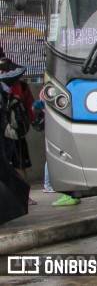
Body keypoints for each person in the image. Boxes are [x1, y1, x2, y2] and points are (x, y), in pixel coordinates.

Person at [0, 56, 37, 205]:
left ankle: (23, 197)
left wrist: (34, 119)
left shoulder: (21, 86)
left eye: (4, 69)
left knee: (20, 164)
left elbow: (30, 106)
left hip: (15, 132)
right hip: (3, 132)